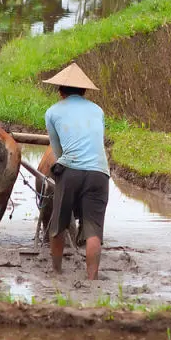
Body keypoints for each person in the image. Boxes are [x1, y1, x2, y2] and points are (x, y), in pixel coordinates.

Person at [43, 62, 109, 280]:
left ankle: (56, 271)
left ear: (60, 91)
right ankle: (92, 278)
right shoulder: (98, 110)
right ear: (84, 91)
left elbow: (57, 149)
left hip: (70, 170)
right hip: (99, 173)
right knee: (94, 230)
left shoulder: (52, 112)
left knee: (58, 224)